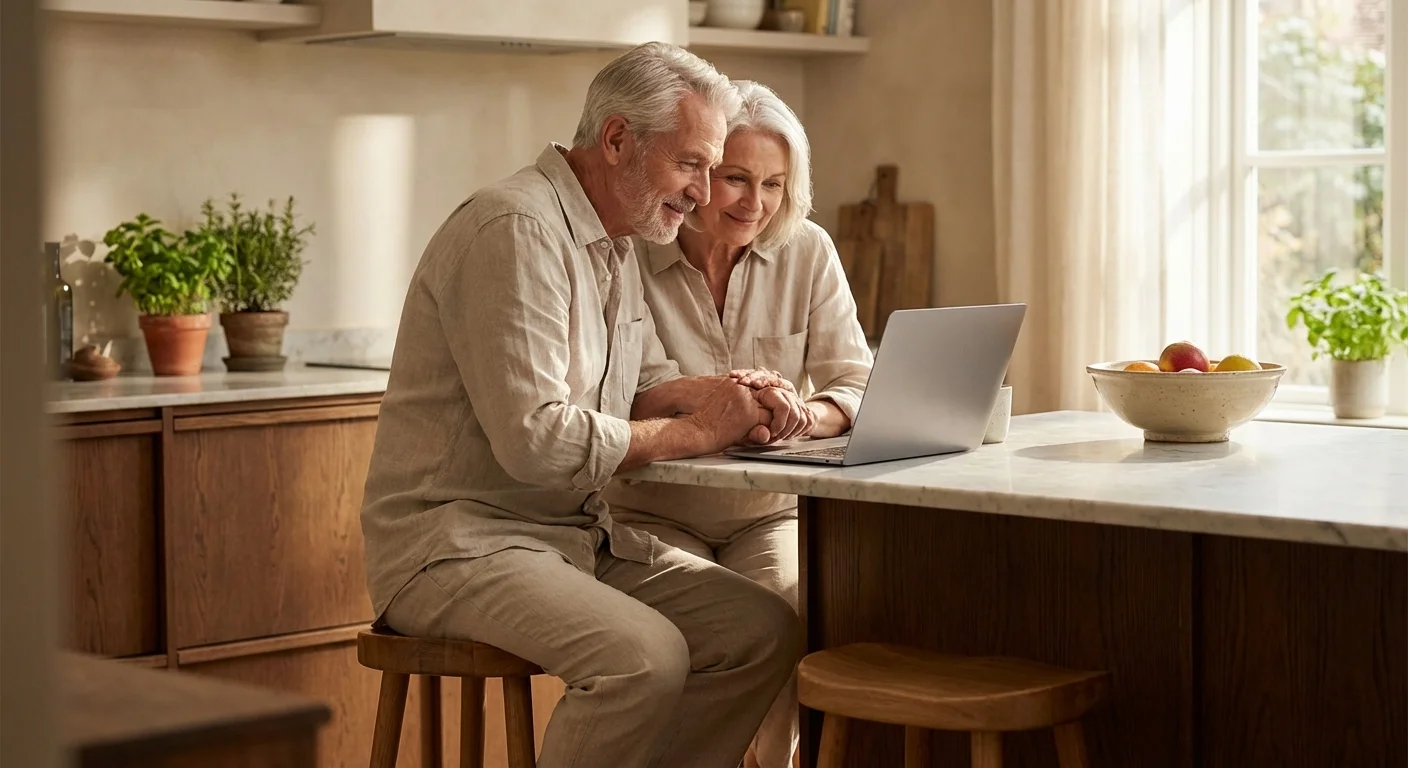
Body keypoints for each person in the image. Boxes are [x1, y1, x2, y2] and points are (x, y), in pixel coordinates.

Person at [360, 45, 804, 768]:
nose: (703, 192)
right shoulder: (514, 229)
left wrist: (733, 397)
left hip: (569, 536)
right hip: (454, 545)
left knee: (762, 630)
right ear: (619, 139)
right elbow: (535, 440)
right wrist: (694, 430)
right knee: (644, 658)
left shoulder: (615, 242)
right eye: (691, 164)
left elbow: (641, 384)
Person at [605, 80, 874, 768]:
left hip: (768, 516)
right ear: (698, 176)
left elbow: (858, 381)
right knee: (712, 628)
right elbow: (630, 390)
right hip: (652, 514)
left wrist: (804, 414)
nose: (756, 203)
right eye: (735, 179)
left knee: (794, 606)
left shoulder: (807, 251)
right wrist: (737, 402)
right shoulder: (627, 254)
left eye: (776, 185)